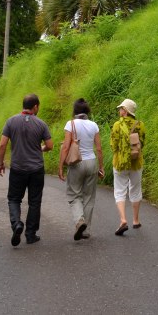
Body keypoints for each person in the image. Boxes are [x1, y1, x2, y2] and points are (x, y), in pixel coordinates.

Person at [0, 93, 53, 246]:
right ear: (35, 106)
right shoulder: (41, 124)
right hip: (36, 169)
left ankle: (16, 224)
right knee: (35, 201)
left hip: (18, 168)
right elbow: (50, 145)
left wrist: (0, 163)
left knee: (14, 199)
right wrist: (40, 148)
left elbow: (2, 145)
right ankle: (30, 235)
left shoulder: (11, 121)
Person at [57, 98, 105, 241]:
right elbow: (99, 149)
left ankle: (79, 221)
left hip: (76, 163)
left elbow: (66, 147)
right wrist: (101, 167)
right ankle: (86, 230)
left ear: (75, 110)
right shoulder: (94, 125)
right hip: (91, 162)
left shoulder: (70, 124)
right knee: (89, 197)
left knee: (74, 194)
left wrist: (60, 166)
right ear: (87, 111)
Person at [110, 98, 145, 236]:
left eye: (121, 108)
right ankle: (136, 220)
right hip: (136, 162)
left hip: (120, 163)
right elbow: (142, 143)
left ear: (125, 111)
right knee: (135, 190)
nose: (119, 110)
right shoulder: (140, 125)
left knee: (120, 191)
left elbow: (113, 145)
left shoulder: (117, 125)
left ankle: (123, 220)